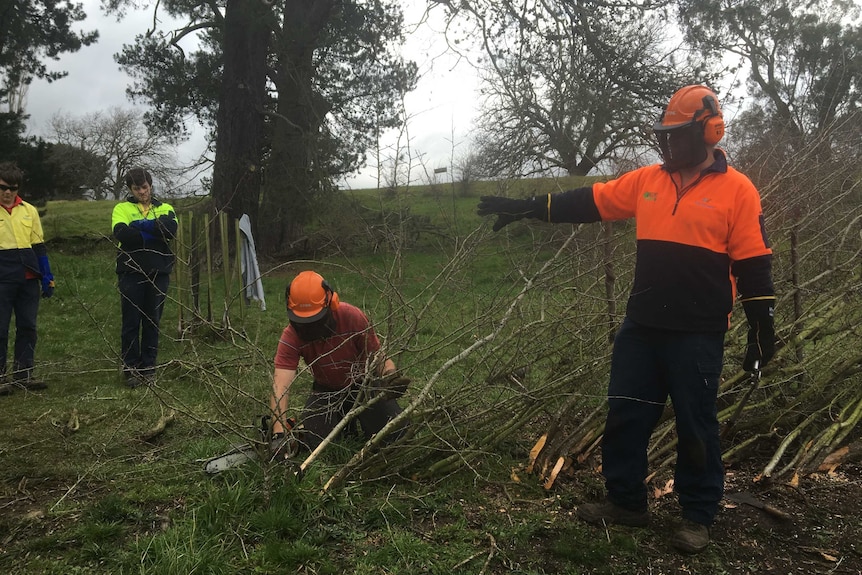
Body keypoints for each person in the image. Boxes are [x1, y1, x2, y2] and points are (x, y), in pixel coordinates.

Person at [477, 85, 775, 554]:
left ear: (708, 132)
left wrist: (762, 329)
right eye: (665, 137)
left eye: (677, 137)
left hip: (697, 333)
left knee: (696, 426)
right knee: (626, 415)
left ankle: (697, 516)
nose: (668, 146)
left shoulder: (738, 191)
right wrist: (530, 207)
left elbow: (755, 266)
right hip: (642, 327)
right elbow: (591, 201)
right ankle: (627, 503)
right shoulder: (648, 181)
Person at [269, 270, 408, 454]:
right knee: (312, 442)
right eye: (303, 322)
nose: (310, 328)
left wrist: (390, 375)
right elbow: (280, 386)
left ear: (331, 304)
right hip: (326, 390)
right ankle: (342, 426)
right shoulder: (291, 335)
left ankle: (359, 421)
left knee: (396, 434)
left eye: (315, 320)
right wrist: (278, 434)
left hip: (363, 385)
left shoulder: (352, 317)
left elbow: (378, 356)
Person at [111, 168, 178, 388]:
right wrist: (153, 232)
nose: (142, 192)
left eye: (145, 187)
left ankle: (148, 367)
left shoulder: (165, 208)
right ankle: (130, 368)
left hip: (159, 272)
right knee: (131, 321)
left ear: (150, 185)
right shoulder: (121, 208)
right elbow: (122, 234)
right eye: (137, 188)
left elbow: (170, 229)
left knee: (152, 320)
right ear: (130, 189)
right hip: (131, 271)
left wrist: (140, 226)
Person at [0, 162, 55, 395]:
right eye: (2, 187)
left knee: (28, 327)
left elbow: (39, 246)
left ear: (18, 188)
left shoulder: (29, 211)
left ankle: (24, 375)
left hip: (28, 276)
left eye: (12, 187)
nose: (7, 192)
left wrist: (47, 275)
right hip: (2, 277)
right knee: (0, 329)